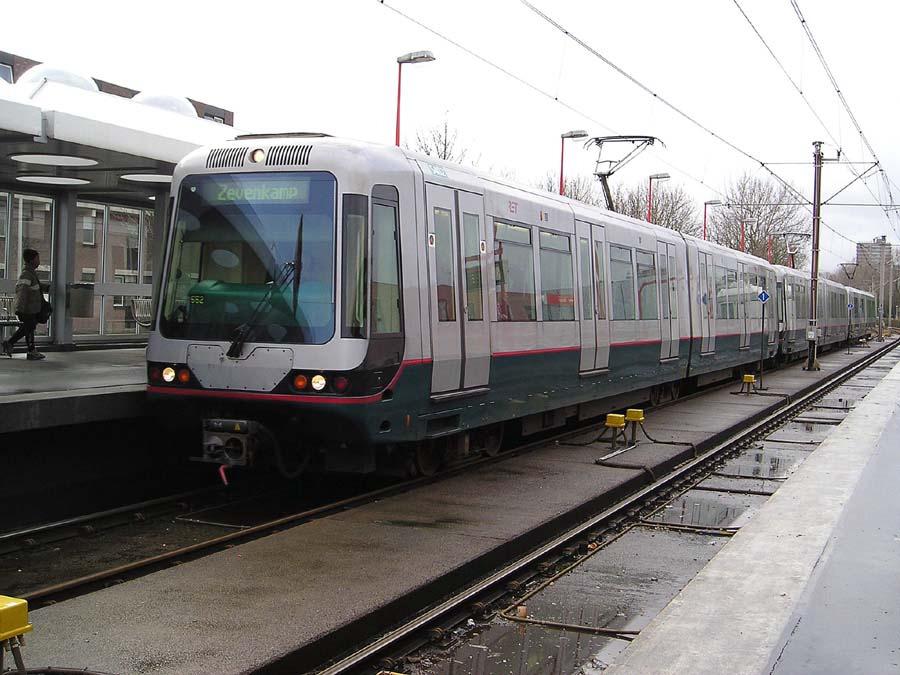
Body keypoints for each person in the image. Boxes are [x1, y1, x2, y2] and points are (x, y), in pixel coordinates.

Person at [2, 249, 46, 360]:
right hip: (27, 309)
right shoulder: (26, 275)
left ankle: (31, 351)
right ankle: (10, 343)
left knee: (29, 329)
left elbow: (34, 288)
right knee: (28, 327)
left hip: (32, 308)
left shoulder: (31, 274)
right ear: (31, 260)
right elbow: (22, 292)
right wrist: (20, 308)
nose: (39, 260)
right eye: (37, 258)